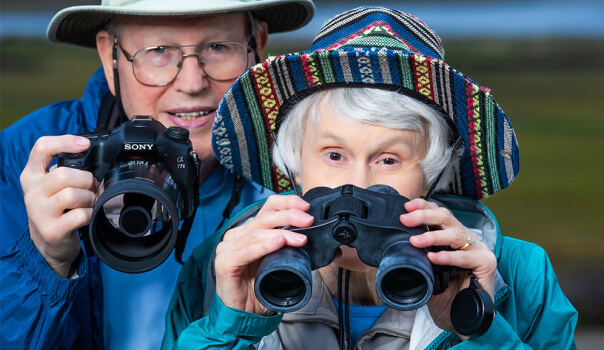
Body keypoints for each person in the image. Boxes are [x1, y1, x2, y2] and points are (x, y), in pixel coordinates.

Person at [163, 6, 578, 350]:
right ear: (294, 167)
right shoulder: (219, 266)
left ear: (432, 177)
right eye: (334, 155)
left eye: (389, 160)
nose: (357, 185)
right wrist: (231, 328)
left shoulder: (521, 272)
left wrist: (477, 328)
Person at [0, 0, 315, 349]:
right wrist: (44, 262)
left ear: (257, 46)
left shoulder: (306, 160)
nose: (193, 82)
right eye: (159, 50)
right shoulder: (26, 161)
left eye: (218, 47)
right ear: (110, 57)